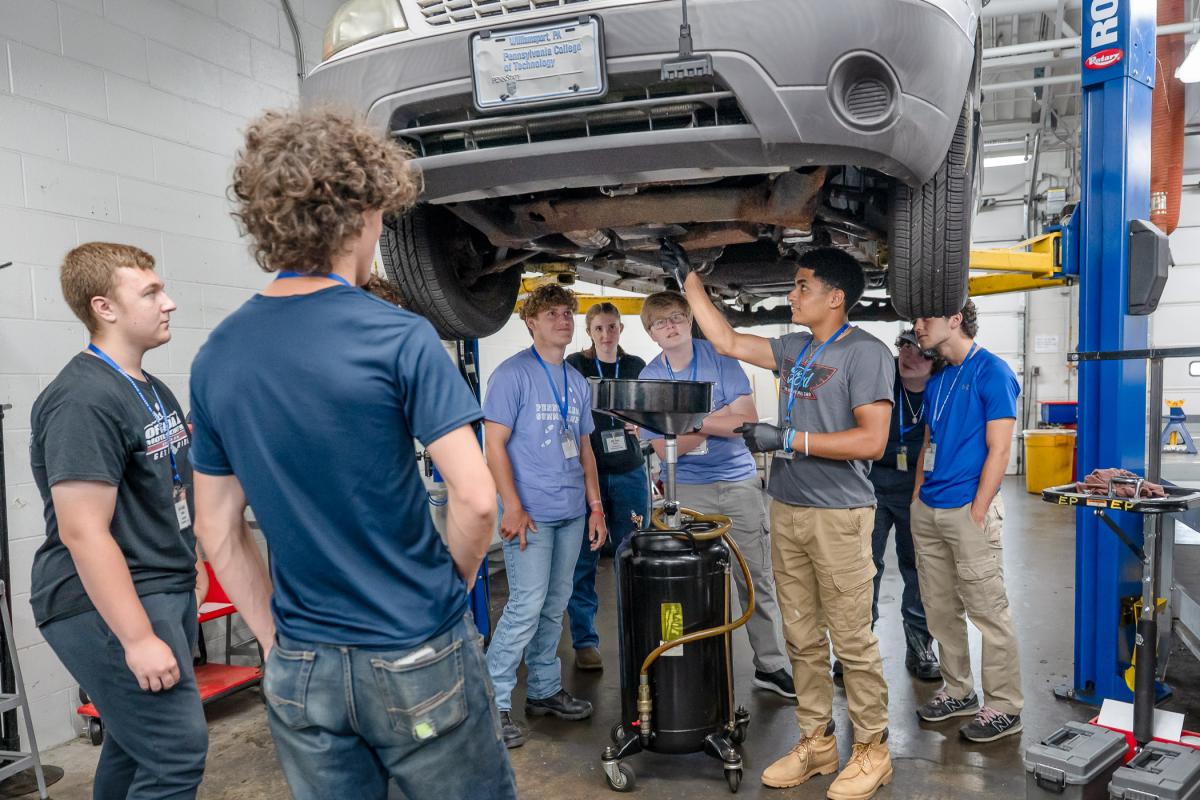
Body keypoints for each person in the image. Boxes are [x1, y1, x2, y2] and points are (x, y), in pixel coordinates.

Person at [189, 109, 516, 800]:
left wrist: (276, 640)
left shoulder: (216, 355)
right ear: (366, 210)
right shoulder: (398, 336)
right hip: (414, 648)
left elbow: (216, 528)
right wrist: (447, 590)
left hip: (302, 666)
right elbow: (476, 497)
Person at [669, 241, 895, 799]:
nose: (791, 295)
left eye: (802, 287)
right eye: (793, 285)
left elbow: (874, 440)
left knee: (851, 640)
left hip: (839, 516)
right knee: (800, 638)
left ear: (836, 298)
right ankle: (817, 743)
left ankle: (874, 749)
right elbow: (724, 339)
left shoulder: (866, 353)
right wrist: (689, 281)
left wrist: (788, 438)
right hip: (787, 508)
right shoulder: (795, 346)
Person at [30, 242, 208, 799]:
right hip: (102, 602)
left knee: (136, 750)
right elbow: (82, 530)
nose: (169, 302)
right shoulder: (83, 399)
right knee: (177, 754)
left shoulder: (151, 390)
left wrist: (192, 563)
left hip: (160, 585)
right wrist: (135, 637)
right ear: (104, 307)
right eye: (151, 292)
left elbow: (167, 488)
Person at [636, 291, 795, 700]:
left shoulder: (720, 358)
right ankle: (690, 664)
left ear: (690, 319)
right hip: (685, 489)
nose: (670, 327)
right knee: (685, 582)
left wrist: (689, 421)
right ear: (652, 334)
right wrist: (715, 420)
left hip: (738, 483)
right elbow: (660, 449)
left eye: (676, 317)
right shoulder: (650, 379)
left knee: (754, 576)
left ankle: (771, 665)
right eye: (660, 322)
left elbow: (747, 420)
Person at [483, 284, 608, 749]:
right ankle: (492, 703)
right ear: (531, 322)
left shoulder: (576, 381)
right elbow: (492, 444)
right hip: (530, 514)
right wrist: (511, 505)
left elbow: (585, 449)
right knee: (525, 606)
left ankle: (543, 690)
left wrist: (594, 506)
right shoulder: (512, 375)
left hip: (571, 511)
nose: (563, 319)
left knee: (554, 606)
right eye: (552, 313)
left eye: (567, 313)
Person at [911, 300, 1024, 743]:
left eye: (926, 318)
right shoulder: (938, 378)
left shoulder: (992, 371)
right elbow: (929, 439)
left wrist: (978, 509)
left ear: (955, 320)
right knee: (940, 609)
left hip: (967, 511)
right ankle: (958, 690)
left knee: (988, 611)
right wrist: (919, 493)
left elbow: (999, 449)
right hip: (931, 508)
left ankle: (1004, 705)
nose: (918, 327)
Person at [565, 302, 648, 672]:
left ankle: (639, 635)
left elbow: (649, 414)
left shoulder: (635, 367)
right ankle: (585, 641)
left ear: (620, 330)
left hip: (629, 470)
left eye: (612, 327)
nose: (606, 334)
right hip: (589, 472)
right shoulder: (576, 366)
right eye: (598, 328)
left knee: (634, 554)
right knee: (583, 559)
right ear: (589, 332)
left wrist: (641, 425)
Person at [866, 329, 941, 681]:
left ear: (936, 360)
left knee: (918, 566)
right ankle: (858, 646)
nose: (911, 356)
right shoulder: (881, 381)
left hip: (919, 487)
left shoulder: (943, 390)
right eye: (906, 347)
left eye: (922, 352)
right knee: (865, 565)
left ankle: (919, 643)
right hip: (873, 486)